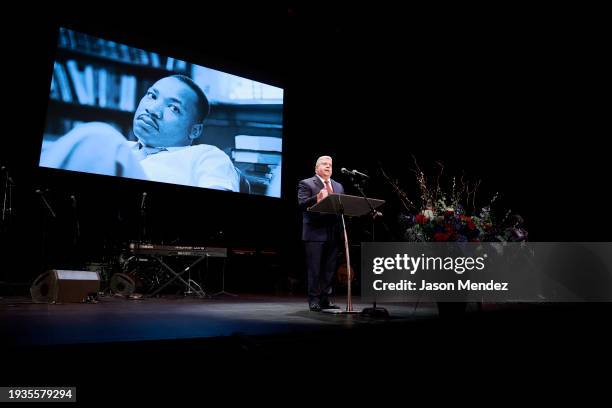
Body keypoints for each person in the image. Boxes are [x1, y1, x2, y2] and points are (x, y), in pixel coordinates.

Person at [40, 75, 239, 192]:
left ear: (194, 130)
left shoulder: (206, 155)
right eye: (152, 96)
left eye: (173, 108)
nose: (152, 109)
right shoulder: (121, 149)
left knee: (99, 136)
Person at [298, 155, 344, 311]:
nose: (328, 166)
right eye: (324, 164)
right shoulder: (306, 183)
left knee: (329, 269)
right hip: (315, 233)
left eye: (330, 164)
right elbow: (302, 204)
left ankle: (325, 298)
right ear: (316, 168)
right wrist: (316, 197)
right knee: (315, 269)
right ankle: (314, 300)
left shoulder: (338, 186)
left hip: (333, 233)